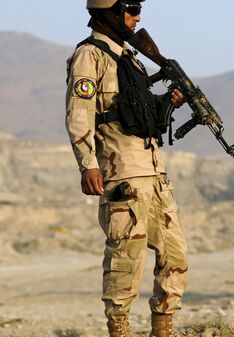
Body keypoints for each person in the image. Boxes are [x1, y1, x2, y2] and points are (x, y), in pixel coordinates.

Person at [65, 1, 188, 336]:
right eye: (130, 8)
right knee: (125, 262)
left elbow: (139, 117)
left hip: (154, 173)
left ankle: (163, 328)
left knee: (176, 256)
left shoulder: (129, 58)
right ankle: (119, 330)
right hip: (122, 176)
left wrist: (168, 102)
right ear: (108, 12)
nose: (137, 16)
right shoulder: (90, 56)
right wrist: (87, 164)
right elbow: (79, 113)